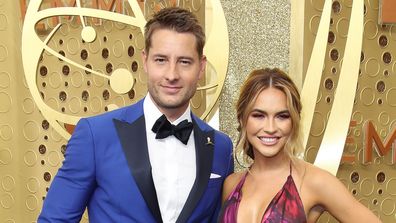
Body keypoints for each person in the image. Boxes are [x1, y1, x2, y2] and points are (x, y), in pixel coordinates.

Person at [38, 7, 233, 223]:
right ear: (145, 60)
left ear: (201, 67)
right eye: (161, 60)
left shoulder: (220, 148)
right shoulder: (96, 136)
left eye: (184, 62)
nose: (172, 74)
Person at [218, 68, 380, 223]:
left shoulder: (315, 181)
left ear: (294, 121)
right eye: (259, 115)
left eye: (282, 116)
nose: (270, 128)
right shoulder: (231, 184)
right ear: (242, 119)